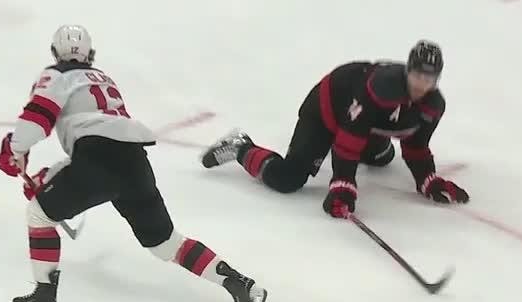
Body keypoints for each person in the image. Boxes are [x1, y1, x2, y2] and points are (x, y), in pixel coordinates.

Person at [0, 25, 268, 302]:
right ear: (90, 53)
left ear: (54, 52)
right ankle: (241, 284)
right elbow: (104, 139)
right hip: (134, 161)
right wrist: (49, 176)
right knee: (166, 243)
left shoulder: (56, 75)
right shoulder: (103, 79)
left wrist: (15, 148)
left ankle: (43, 299)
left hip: (96, 159)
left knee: (40, 214)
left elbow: (39, 120)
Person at [200, 40, 470, 218]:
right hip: (326, 113)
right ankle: (240, 147)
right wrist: (343, 185)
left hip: (366, 124)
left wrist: (428, 180)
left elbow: (416, 146)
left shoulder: (433, 105)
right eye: (418, 75)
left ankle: (370, 150)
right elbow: (348, 141)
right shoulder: (381, 89)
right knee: (288, 179)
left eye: (429, 78)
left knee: (382, 158)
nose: (422, 84)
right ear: (408, 71)